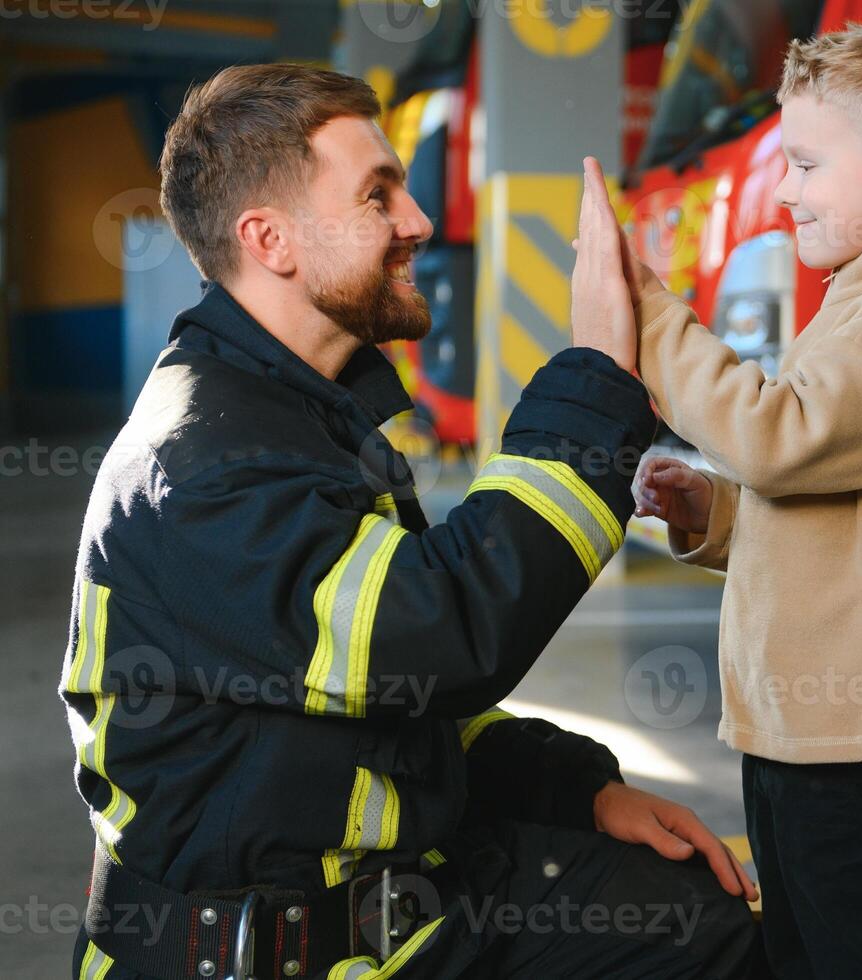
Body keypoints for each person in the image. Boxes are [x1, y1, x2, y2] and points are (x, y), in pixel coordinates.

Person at [62, 63, 757, 980]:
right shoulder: (202, 464)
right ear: (270, 239)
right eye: (376, 194)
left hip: (384, 905)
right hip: (266, 953)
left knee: (701, 919)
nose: (419, 220)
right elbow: (439, 631)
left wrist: (577, 790)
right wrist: (595, 374)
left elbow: (400, 705)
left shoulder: (302, 419)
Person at [580, 7, 862, 977]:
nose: (784, 191)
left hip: (856, 747)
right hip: (808, 731)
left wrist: (648, 311)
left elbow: (778, 439)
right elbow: (838, 507)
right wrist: (713, 513)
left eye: (807, 166)